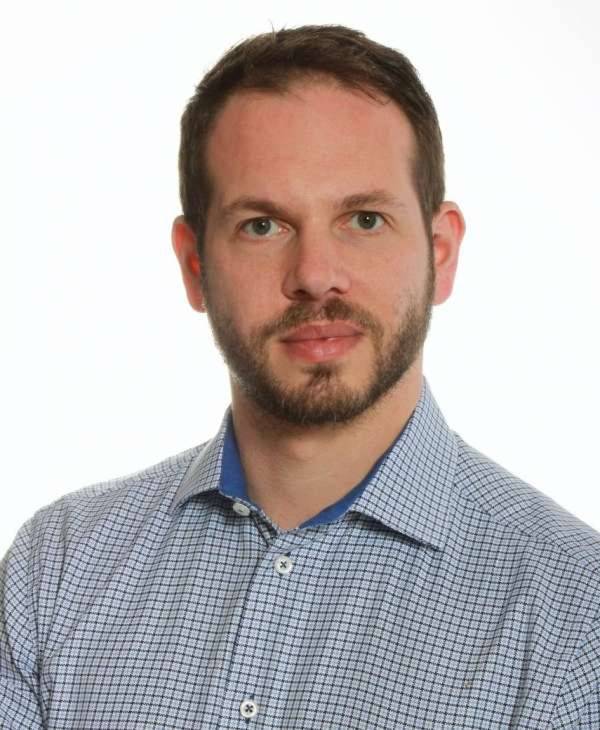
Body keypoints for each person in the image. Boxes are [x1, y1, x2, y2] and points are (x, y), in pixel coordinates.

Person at [1, 24, 598, 729]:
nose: (315, 275)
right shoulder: (58, 569)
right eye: (263, 226)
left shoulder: (577, 621)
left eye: (365, 219)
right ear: (195, 265)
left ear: (441, 252)